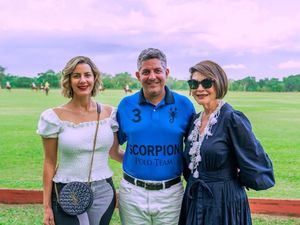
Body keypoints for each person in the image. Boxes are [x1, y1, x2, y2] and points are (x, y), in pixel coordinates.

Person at [178, 60, 275, 225]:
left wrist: (228, 180)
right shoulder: (194, 121)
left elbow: (255, 161)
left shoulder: (232, 119)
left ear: (219, 84)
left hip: (224, 201)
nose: (199, 88)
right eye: (194, 83)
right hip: (194, 197)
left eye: (206, 83)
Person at [37, 56, 124, 225]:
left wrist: (144, 162)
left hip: (103, 190)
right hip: (68, 190)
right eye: (76, 76)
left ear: (95, 78)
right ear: (68, 81)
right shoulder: (53, 117)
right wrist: (47, 206)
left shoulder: (110, 114)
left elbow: (114, 153)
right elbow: (49, 162)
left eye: (87, 75)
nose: (83, 80)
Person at [116, 48, 195, 225]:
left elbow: (195, 149)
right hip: (132, 193)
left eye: (157, 71)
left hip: (171, 193)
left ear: (166, 73)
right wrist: (136, 160)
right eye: (146, 72)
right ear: (138, 75)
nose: (152, 77)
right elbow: (113, 149)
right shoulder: (126, 105)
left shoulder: (184, 105)